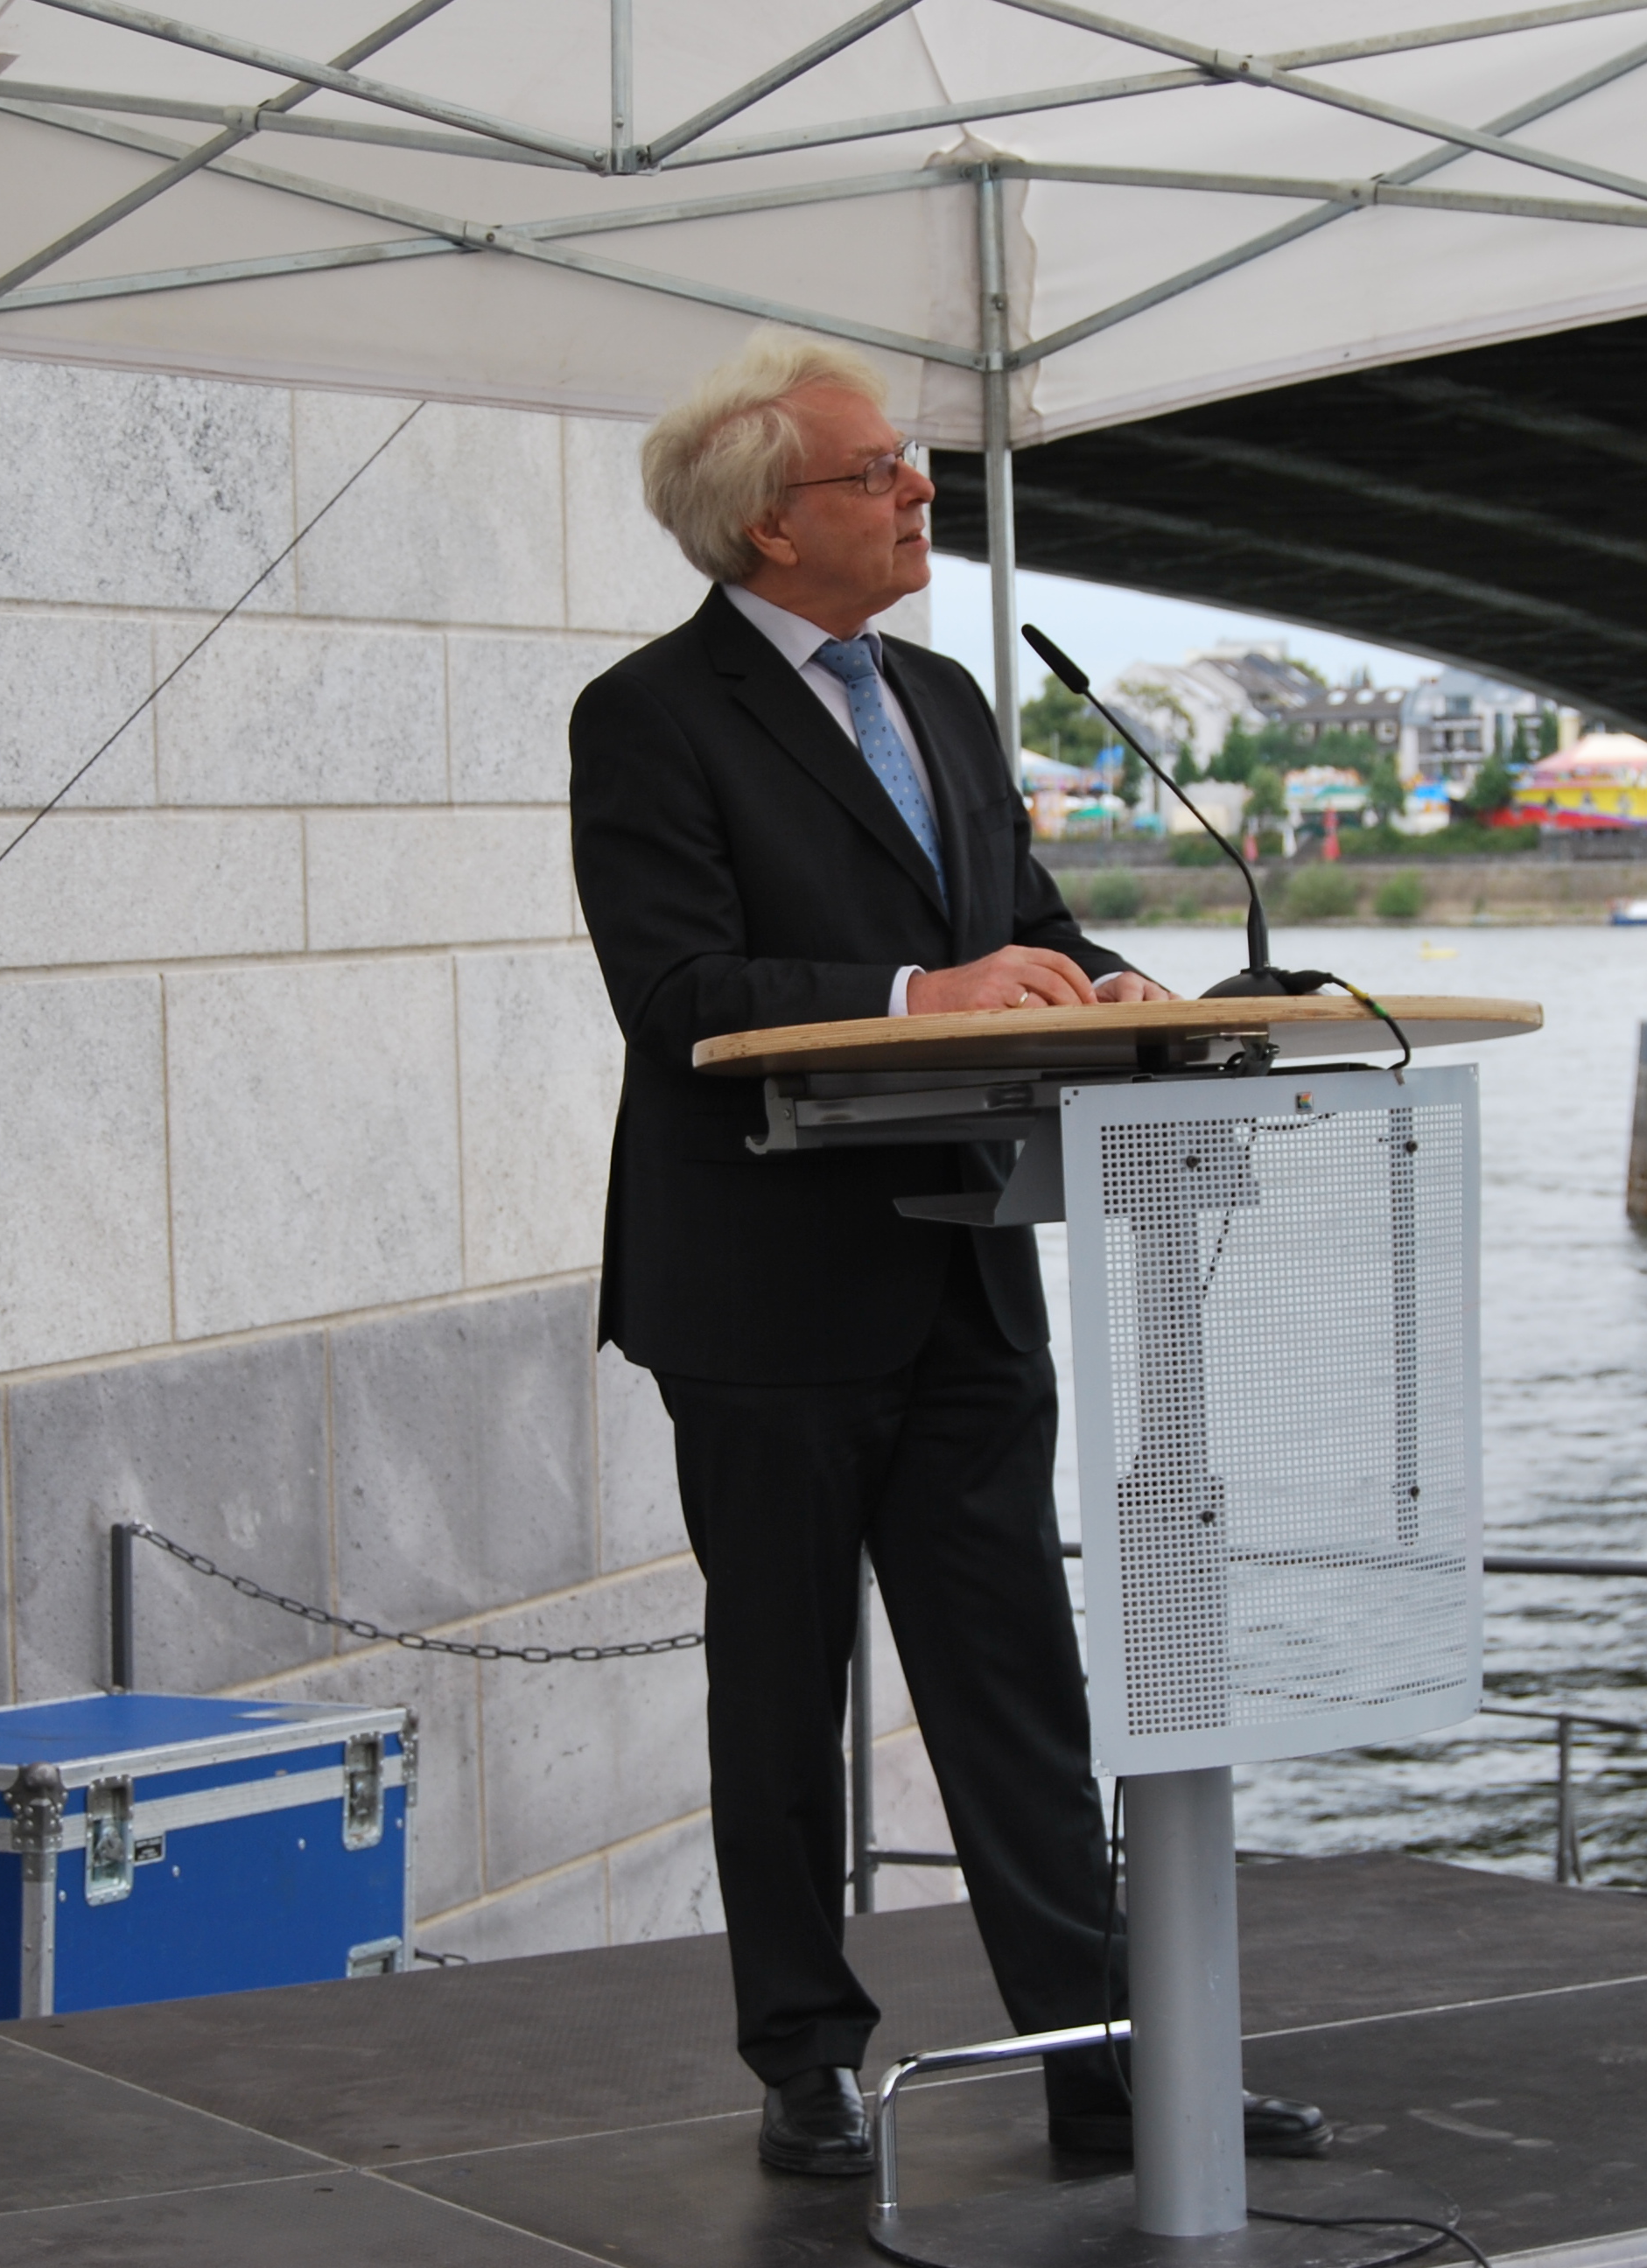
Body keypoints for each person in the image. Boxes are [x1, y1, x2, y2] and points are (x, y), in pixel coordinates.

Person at [567, 327, 1328, 2177]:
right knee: (782, 1690)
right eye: (878, 472)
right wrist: (923, 992)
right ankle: (803, 2060)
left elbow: (1021, 921)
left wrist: (1112, 985)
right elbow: (678, 991)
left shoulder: (947, 698)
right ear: (768, 525)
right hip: (763, 1291)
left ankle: (1108, 2063)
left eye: (912, 464)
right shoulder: (648, 716)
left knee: (1019, 1688)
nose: (920, 492)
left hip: (972, 1265)